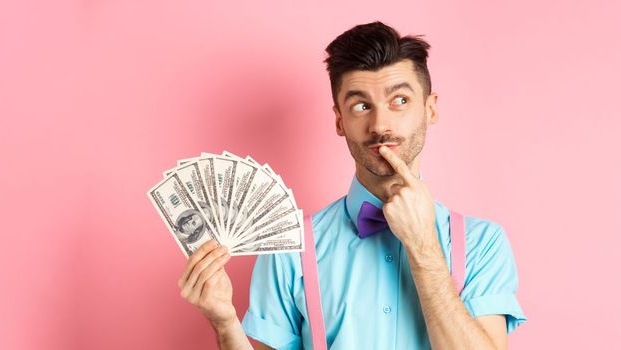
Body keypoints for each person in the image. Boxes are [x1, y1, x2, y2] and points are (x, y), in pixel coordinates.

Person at [176, 21, 526, 349]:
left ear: (430, 109)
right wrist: (225, 323)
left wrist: (423, 246)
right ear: (340, 121)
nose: (380, 124)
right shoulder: (290, 247)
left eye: (399, 100)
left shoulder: (483, 243)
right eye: (361, 105)